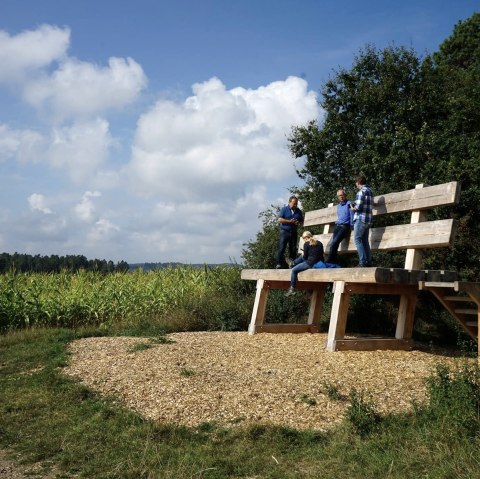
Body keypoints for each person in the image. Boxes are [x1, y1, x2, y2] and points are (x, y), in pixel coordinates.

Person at [285, 231, 324, 296]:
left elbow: (305, 258)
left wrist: (304, 254)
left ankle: (292, 288)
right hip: (318, 262)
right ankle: (293, 263)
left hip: (310, 263)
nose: (303, 239)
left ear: (306, 237)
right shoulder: (320, 243)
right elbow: (321, 254)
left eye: (303, 238)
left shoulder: (306, 244)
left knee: (294, 270)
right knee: (301, 258)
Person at [326, 189, 354, 264]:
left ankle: (329, 261)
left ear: (345, 195)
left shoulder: (349, 203)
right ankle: (334, 261)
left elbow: (352, 215)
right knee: (332, 243)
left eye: (342, 195)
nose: (341, 197)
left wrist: (352, 226)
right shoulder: (338, 206)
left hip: (345, 226)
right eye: (339, 196)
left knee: (335, 242)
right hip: (338, 226)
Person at [350, 175, 374, 267]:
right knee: (365, 241)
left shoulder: (361, 192)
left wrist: (352, 207)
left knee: (357, 240)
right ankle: (368, 262)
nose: (356, 185)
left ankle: (362, 262)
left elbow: (358, 207)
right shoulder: (370, 191)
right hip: (368, 219)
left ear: (358, 183)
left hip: (361, 219)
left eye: (356, 183)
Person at [275, 195, 304, 269]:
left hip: (294, 232)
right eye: (294, 203)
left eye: (296, 204)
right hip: (284, 231)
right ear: (289, 202)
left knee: (293, 249)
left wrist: (298, 223)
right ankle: (279, 264)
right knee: (281, 248)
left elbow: (302, 221)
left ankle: (292, 264)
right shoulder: (284, 209)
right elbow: (279, 219)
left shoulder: (298, 211)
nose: (295, 205)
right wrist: (289, 221)